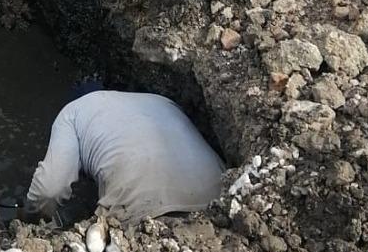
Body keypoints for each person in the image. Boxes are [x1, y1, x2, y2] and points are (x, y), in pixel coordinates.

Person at [22, 89, 226, 223]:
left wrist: (27, 218)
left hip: (142, 214)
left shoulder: (70, 113)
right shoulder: (165, 102)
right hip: (223, 204)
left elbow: (49, 190)